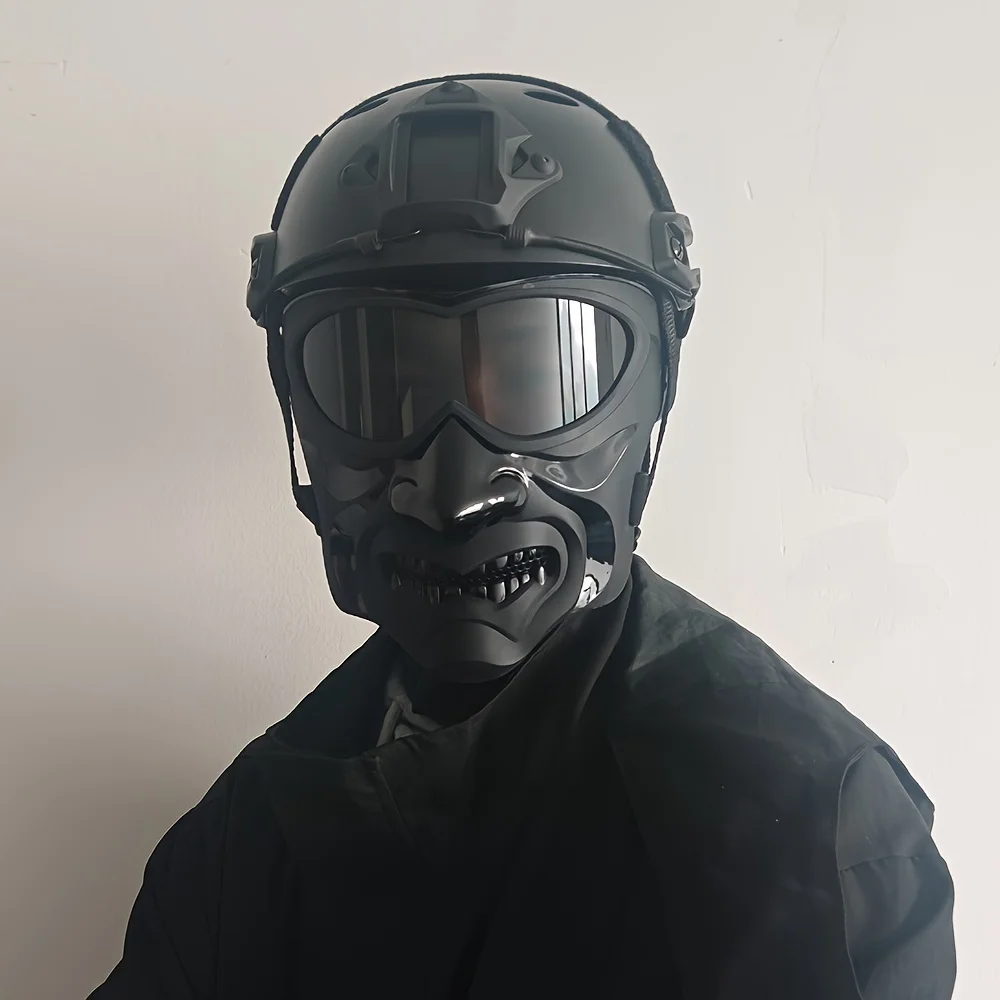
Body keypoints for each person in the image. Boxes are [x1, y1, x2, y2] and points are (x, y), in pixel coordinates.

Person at [88, 73, 956, 999]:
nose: (457, 490)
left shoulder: (812, 831)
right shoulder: (250, 833)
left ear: (651, 389)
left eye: (534, 377)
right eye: (383, 384)